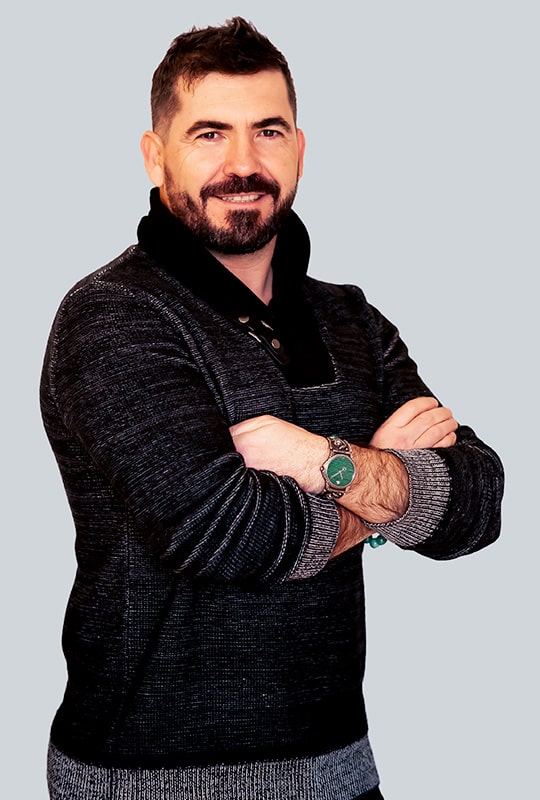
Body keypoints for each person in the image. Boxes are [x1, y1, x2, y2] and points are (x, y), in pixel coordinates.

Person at [40, 16, 504, 800]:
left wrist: (321, 459)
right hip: (156, 777)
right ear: (155, 155)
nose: (243, 164)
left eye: (268, 130)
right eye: (210, 134)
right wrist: (383, 490)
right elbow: (223, 534)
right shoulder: (114, 317)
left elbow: (478, 501)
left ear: (299, 148)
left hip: (340, 765)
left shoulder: (349, 318)